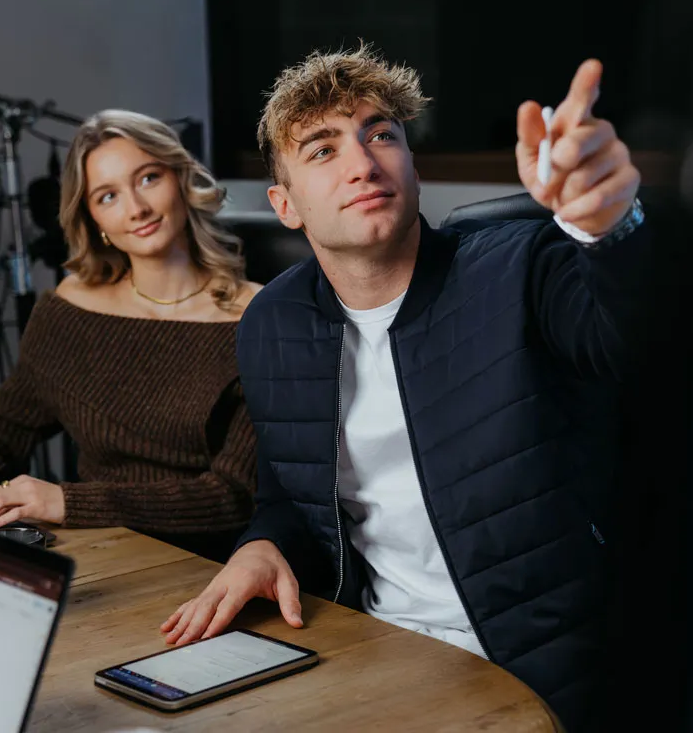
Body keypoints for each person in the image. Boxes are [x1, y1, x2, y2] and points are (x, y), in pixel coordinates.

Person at [160, 45, 649, 730]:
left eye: (381, 135)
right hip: (371, 655)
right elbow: (289, 497)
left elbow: (642, 349)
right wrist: (261, 546)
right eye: (323, 150)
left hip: (547, 667)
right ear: (285, 204)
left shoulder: (520, 267)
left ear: (412, 166)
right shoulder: (273, 322)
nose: (363, 163)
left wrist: (608, 226)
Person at [0, 110, 264, 562]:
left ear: (181, 179)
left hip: (204, 565)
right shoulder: (71, 307)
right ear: (93, 218)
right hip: (95, 549)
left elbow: (234, 496)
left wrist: (71, 502)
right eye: (108, 196)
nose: (136, 208)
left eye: (148, 178)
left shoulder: (257, 320)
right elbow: (7, 425)